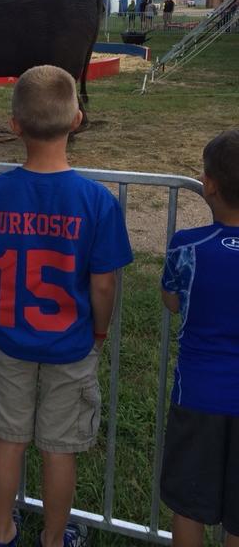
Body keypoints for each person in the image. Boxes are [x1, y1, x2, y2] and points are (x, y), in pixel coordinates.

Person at [0, 66, 133, 547]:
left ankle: (1, 531)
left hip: (11, 337)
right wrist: (99, 331)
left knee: (8, 440)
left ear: (14, 125)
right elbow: (103, 285)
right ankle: (55, 539)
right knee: (60, 450)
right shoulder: (97, 202)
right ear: (77, 119)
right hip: (72, 344)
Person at [159, 130, 239, 547]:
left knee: (189, 505)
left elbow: (172, 301)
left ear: (208, 185)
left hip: (198, 396)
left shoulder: (187, 247)